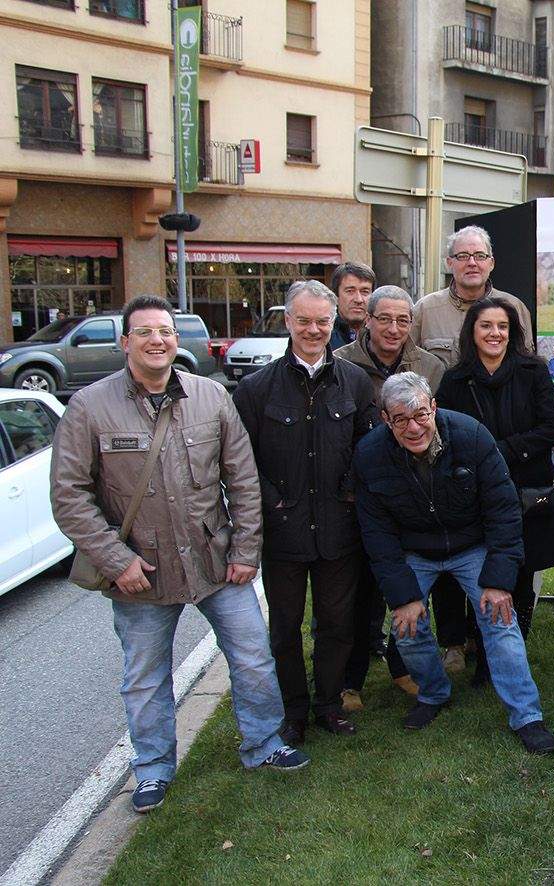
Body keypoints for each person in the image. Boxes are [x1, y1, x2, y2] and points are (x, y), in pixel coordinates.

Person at [50, 294, 309, 815]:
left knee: (253, 657)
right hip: (141, 571)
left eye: (165, 331)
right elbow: (69, 496)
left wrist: (245, 549)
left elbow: (243, 479)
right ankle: (152, 769)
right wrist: (116, 561)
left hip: (216, 561)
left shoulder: (211, 397)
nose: (157, 340)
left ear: (177, 339)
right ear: (125, 342)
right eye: (145, 332)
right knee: (145, 678)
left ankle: (264, 743)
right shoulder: (89, 408)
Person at [354, 373, 554, 753]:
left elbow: (503, 511)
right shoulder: (369, 455)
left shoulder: (471, 435)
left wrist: (498, 581)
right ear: (385, 419)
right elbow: (377, 534)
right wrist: (404, 596)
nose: (413, 428)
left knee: (500, 618)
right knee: (405, 626)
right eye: (400, 419)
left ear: (433, 407)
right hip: (415, 550)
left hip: (471, 545)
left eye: (420, 414)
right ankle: (433, 693)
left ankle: (527, 716)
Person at [233, 281, 378, 746]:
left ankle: (329, 705)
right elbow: (240, 461)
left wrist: (349, 493)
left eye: (322, 321)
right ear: (288, 321)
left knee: (337, 624)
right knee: (284, 629)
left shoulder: (355, 382)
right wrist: (272, 501)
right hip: (284, 531)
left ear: (333, 322)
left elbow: (368, 448)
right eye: (304, 321)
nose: (313, 330)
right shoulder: (255, 389)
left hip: (339, 530)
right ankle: (293, 710)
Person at [436, 296, 554, 645]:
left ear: (512, 332)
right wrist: (480, 460)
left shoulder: (533, 371)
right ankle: (473, 640)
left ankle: (516, 639)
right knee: (474, 566)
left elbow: (552, 425)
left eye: (502, 326)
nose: (495, 333)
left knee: (522, 569)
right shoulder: (455, 380)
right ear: (472, 331)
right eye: (486, 325)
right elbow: (443, 433)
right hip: (474, 490)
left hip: (527, 487)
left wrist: (503, 451)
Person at [334, 285, 446, 708]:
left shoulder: (431, 367)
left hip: (412, 492)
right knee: (359, 591)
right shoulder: (341, 363)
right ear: (367, 320)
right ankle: (350, 679)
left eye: (403, 320)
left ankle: (403, 668)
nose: (394, 328)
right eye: (384, 319)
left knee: (408, 583)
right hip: (358, 491)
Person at [413, 225, 534, 368]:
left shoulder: (514, 308)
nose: (472, 263)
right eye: (463, 256)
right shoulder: (425, 310)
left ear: (491, 263)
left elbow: (527, 368)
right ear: (449, 263)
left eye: (480, 256)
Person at [329, 261, 376, 349]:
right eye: (350, 291)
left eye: (364, 292)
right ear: (336, 296)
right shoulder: (324, 336)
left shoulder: (382, 335)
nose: (358, 300)